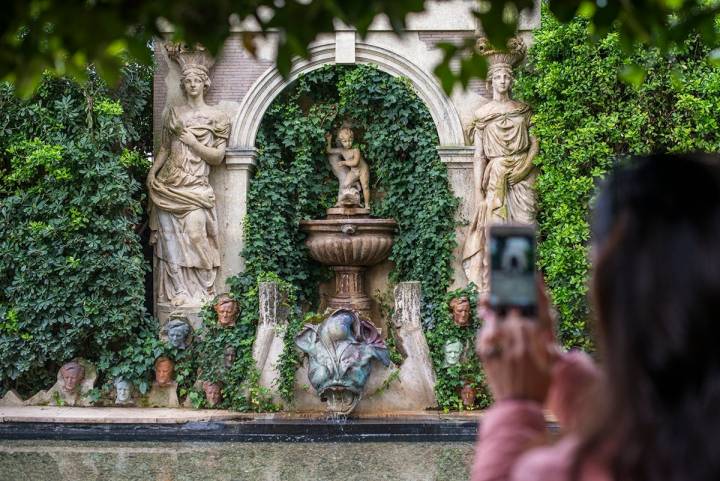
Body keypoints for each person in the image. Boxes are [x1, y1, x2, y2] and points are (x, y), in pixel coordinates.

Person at [471, 153, 720, 481]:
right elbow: (659, 407)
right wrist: (554, 364)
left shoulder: (572, 471)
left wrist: (516, 404)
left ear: (613, 287)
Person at [147, 45, 230, 307]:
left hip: (195, 187)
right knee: (170, 240)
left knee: (196, 234)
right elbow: (164, 148)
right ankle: (180, 291)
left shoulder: (218, 117)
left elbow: (217, 157)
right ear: (183, 85)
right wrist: (153, 171)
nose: (192, 85)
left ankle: (205, 286)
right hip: (168, 182)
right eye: (188, 81)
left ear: (205, 84)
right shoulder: (174, 113)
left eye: (197, 80)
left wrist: (193, 142)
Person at [463, 37, 538, 294]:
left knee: (525, 223)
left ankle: (521, 284)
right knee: (496, 228)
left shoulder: (523, 110)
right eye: (499, 78)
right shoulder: (483, 115)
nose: (503, 81)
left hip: (522, 174)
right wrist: (478, 194)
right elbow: (478, 157)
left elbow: (535, 144)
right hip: (495, 174)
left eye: (507, 77)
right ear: (491, 81)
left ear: (511, 80)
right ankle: (499, 286)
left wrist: (525, 168)